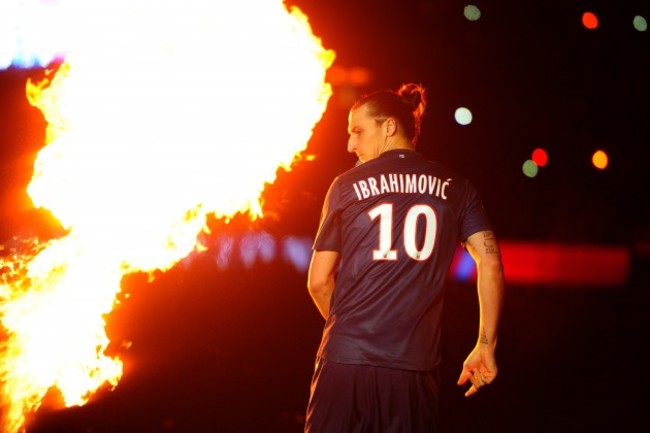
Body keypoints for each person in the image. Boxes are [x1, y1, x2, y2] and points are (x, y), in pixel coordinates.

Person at [304, 83, 505, 433]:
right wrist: (485, 345)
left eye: (358, 131)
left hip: (344, 362)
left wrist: (352, 331)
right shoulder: (457, 188)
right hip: (412, 369)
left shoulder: (345, 185)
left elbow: (319, 281)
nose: (351, 144)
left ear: (390, 127)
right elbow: (490, 263)